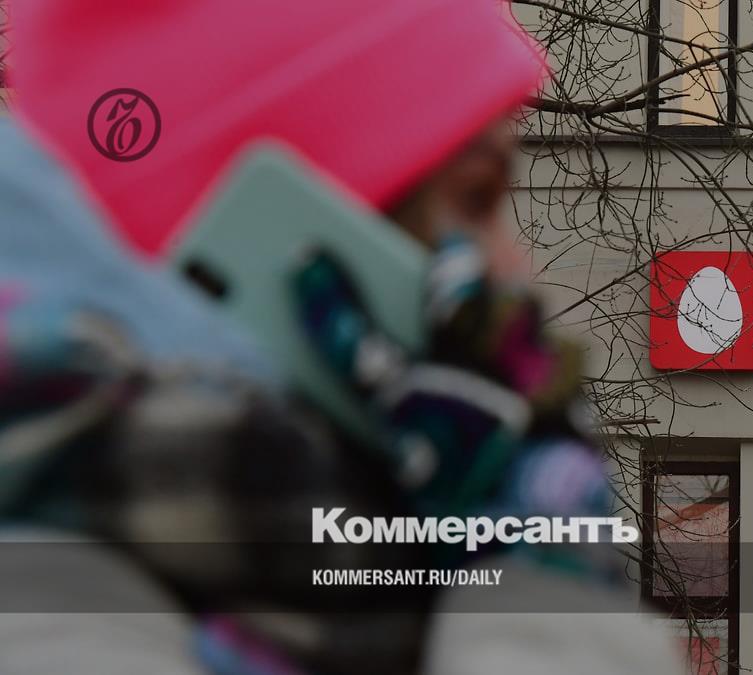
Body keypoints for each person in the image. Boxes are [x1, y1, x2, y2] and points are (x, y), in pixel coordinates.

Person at [0, 1, 681, 674]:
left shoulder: (392, 579)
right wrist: (543, 577)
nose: (514, 271)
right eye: (477, 197)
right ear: (272, 235)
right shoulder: (47, 619)